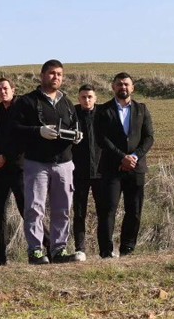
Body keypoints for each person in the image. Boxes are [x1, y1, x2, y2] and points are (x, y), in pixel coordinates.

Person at [13, 59, 85, 264]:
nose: (56, 77)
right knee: (35, 208)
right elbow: (15, 129)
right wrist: (38, 131)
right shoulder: (27, 102)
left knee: (62, 208)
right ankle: (35, 251)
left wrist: (77, 136)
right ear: (42, 75)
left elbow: (74, 126)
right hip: (37, 163)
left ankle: (59, 250)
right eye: (52, 73)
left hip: (64, 163)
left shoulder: (67, 102)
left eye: (59, 74)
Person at [94, 72, 156, 258]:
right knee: (108, 210)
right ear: (113, 87)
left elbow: (149, 137)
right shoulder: (103, 111)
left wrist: (135, 157)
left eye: (126, 84)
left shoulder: (142, 109)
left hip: (136, 168)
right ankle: (106, 251)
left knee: (134, 210)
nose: (123, 87)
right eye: (119, 84)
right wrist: (122, 157)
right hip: (112, 169)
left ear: (132, 87)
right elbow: (101, 139)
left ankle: (128, 248)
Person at [0, 77, 24, 266]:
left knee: (27, 211)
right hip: (0, 170)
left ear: (13, 89)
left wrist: (7, 158)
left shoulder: (22, 108)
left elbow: (24, 140)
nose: (2, 91)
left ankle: (47, 247)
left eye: (5, 88)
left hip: (19, 169)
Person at [71, 84, 101, 256]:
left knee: (103, 212)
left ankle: (105, 248)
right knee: (79, 212)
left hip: (100, 171)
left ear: (95, 98)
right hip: (78, 172)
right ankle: (80, 249)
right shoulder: (72, 114)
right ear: (79, 98)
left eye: (90, 97)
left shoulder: (103, 115)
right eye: (83, 97)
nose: (87, 100)